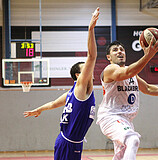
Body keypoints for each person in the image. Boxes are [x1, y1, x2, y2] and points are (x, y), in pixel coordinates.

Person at [23, 7, 100, 160]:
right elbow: (92, 56)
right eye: (85, 70)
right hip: (69, 143)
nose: (89, 71)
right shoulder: (80, 88)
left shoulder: (71, 93)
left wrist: (39, 109)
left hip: (69, 141)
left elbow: (52, 104)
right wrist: (90, 29)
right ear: (78, 75)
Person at [96, 39, 158, 160]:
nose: (119, 52)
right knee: (133, 139)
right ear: (109, 57)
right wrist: (148, 56)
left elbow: (147, 88)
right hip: (111, 117)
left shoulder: (131, 73)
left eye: (122, 50)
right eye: (115, 50)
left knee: (121, 155)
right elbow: (128, 72)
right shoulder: (110, 69)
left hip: (126, 120)